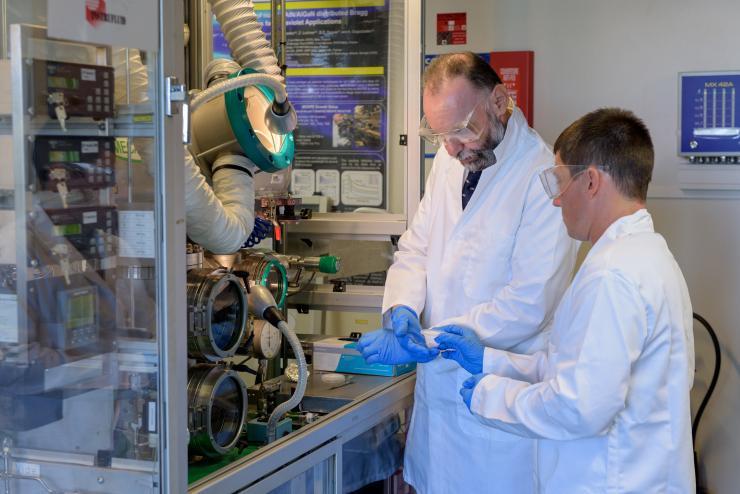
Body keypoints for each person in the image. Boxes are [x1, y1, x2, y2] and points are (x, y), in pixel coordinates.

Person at [435, 108, 695, 492]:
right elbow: (577, 368)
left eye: (557, 181)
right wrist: (492, 361)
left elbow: (578, 407)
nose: (556, 201)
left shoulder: (613, 274)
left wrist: (491, 396)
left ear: (591, 181)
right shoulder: (646, 255)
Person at [356, 52, 577, 493]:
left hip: (499, 405)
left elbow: (528, 303)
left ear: (499, 101)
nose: (454, 148)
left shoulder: (542, 177)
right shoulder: (449, 161)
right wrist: (401, 308)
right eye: (440, 135)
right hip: (439, 408)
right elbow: (417, 246)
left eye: (462, 130)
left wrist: (432, 339)